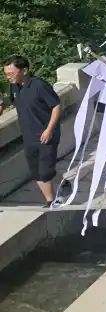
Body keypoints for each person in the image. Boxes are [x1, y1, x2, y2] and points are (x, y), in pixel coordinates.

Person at [2, 55, 63, 206]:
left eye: (11, 73)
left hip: (46, 134)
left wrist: (49, 129)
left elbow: (56, 106)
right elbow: (11, 101)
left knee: (44, 171)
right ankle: (64, 183)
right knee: (36, 172)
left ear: (24, 70)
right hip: (28, 135)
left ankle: (51, 201)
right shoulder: (14, 86)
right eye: (6, 74)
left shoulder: (39, 85)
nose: (8, 77)